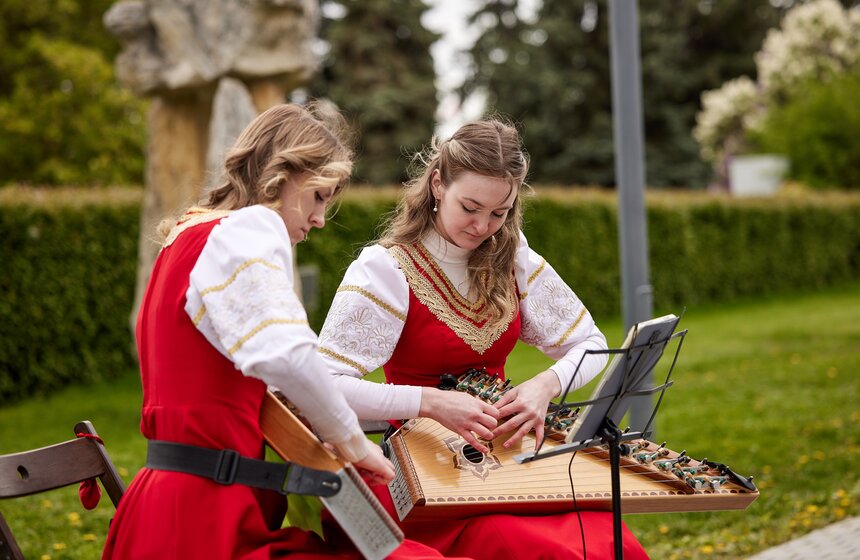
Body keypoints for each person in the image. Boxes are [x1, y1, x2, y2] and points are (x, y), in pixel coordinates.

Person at [103, 103, 472, 560]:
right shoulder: (251, 227)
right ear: (282, 174)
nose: (319, 219)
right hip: (209, 523)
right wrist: (356, 447)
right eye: (319, 197)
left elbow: (285, 378)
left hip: (169, 508)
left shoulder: (184, 238)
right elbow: (287, 357)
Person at [317, 119, 650, 559]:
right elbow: (324, 384)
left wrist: (543, 387)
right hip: (423, 476)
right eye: (470, 207)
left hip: (506, 464)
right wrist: (429, 402)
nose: (482, 226)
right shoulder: (386, 269)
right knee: (519, 544)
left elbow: (588, 342)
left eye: (500, 212)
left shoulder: (513, 258)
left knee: (607, 539)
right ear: (438, 184)